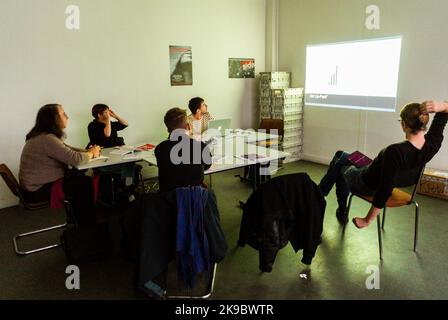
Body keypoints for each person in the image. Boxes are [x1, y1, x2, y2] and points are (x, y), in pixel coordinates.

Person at [318, 101, 448, 228]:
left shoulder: (395, 152)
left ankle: (323, 198)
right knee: (342, 155)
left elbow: (385, 188)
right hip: (374, 171)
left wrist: (367, 220)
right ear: (424, 124)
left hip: (365, 183)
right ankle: (326, 199)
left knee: (340, 162)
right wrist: (441, 106)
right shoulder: (432, 145)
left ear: (403, 124)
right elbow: (443, 116)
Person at [19, 104, 101, 225]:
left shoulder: (44, 136)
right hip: (37, 192)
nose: (67, 116)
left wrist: (88, 151)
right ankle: (86, 227)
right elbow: (76, 160)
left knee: (79, 180)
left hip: (35, 188)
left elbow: (68, 149)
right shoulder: (46, 139)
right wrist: (92, 154)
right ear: (54, 119)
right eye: (63, 114)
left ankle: (79, 221)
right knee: (84, 184)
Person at [155, 107, 212, 193]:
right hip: (194, 198)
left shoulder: (160, 148)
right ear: (188, 126)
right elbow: (207, 165)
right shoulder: (200, 147)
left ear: (168, 130)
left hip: (167, 199)